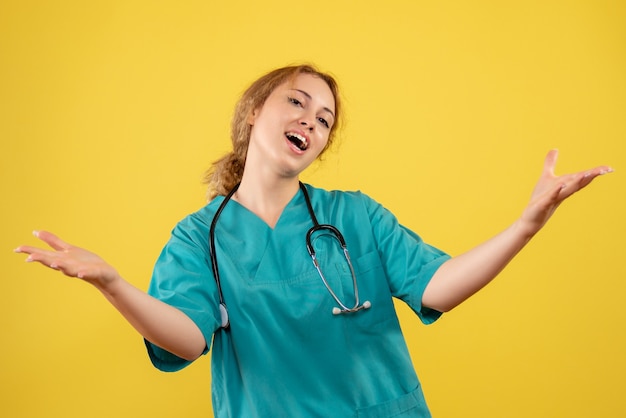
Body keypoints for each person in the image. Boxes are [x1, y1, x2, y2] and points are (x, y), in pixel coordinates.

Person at [14, 64, 613, 417]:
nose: (311, 120)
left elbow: (439, 286)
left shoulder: (356, 217)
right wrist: (112, 284)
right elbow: (189, 339)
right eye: (296, 103)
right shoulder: (201, 236)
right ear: (254, 112)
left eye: (324, 119)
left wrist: (525, 225)